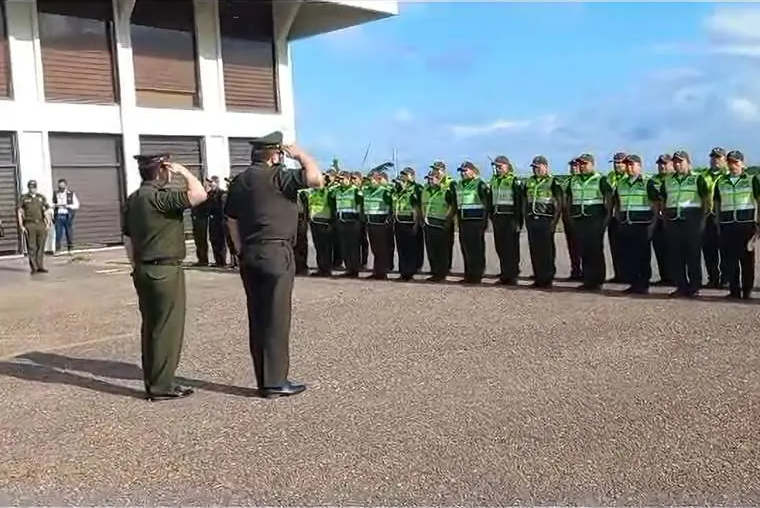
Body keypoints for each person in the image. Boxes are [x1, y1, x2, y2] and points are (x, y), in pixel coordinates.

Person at [224, 132, 323, 398]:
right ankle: (275, 382)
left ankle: (264, 379)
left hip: (250, 253)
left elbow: (231, 220)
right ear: (275, 154)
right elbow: (316, 179)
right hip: (276, 252)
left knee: (257, 318)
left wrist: (240, 249)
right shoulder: (279, 176)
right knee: (276, 319)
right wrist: (301, 155)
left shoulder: (240, 180)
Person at [121, 154, 207, 401]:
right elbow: (199, 194)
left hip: (143, 269)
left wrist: (135, 265)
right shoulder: (159, 198)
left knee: (151, 327)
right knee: (167, 329)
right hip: (165, 270)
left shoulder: (134, 199)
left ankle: (154, 380)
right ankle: (162, 386)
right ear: (160, 171)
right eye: (166, 169)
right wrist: (184, 172)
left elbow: (127, 238)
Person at [660, 150, 710, 298]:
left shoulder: (697, 179)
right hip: (673, 220)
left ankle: (694, 286)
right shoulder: (668, 180)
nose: (677, 164)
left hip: (692, 220)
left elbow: (706, 199)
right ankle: (681, 286)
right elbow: (663, 199)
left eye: (680, 161)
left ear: (688, 163)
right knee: (676, 255)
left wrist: (703, 219)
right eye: (675, 162)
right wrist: (665, 216)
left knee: (693, 254)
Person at [713, 150, 759, 299]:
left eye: (736, 162)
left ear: (742, 163)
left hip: (746, 225)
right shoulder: (721, 181)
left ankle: (747, 291)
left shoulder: (752, 180)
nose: (733, 166)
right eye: (730, 162)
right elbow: (717, 203)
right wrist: (718, 221)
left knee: (746, 260)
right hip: (727, 224)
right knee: (730, 260)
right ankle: (734, 290)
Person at [566, 154, 614, 290]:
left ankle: (597, 280)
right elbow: (569, 199)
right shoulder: (573, 180)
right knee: (583, 249)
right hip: (579, 219)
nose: (582, 166)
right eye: (580, 164)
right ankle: (588, 279)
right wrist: (570, 216)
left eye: (585, 164)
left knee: (595, 250)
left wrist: (607, 216)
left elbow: (609, 198)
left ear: (592, 164)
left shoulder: (601, 179)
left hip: (595, 218)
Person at [613, 154, 659, 294]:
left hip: (642, 224)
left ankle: (643, 284)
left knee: (642, 256)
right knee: (629, 255)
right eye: (627, 165)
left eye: (632, 165)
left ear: (639, 166)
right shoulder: (621, 183)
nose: (629, 168)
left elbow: (656, 204)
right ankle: (633, 283)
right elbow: (618, 203)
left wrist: (653, 222)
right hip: (627, 223)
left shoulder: (647, 182)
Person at [523, 155, 562, 288]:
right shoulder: (529, 182)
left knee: (546, 250)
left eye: (538, 167)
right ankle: (538, 276)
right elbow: (524, 200)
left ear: (545, 167)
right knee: (535, 250)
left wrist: (555, 221)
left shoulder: (552, 182)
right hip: (532, 219)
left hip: (546, 219)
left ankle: (547, 277)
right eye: (534, 168)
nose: (536, 170)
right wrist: (525, 218)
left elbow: (559, 202)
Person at [452, 161, 490, 284]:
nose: (463, 173)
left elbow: (486, 204)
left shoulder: (480, 184)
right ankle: (468, 274)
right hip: (464, 221)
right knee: (466, 249)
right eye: (461, 171)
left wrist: (484, 222)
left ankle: (477, 275)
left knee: (476, 249)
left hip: (476, 222)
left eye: (465, 171)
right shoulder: (460, 185)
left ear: (473, 171)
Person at [489, 155, 523, 285]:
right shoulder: (494, 180)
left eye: (500, 166)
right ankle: (505, 272)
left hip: (510, 218)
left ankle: (512, 274)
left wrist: (518, 221)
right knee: (500, 247)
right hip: (498, 217)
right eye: (496, 167)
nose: (498, 169)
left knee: (511, 248)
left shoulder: (514, 181)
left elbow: (519, 202)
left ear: (507, 166)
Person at [422, 169, 456, 282]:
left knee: (441, 250)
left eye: (433, 179)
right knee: (431, 250)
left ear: (438, 179)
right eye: (429, 179)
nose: (430, 181)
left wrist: (448, 220)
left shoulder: (445, 191)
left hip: (440, 224)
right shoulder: (426, 191)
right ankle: (435, 271)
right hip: (428, 223)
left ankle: (441, 273)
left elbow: (452, 206)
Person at [329, 171, 364, 278]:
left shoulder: (355, 190)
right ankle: (348, 268)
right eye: (339, 179)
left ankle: (354, 269)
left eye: (342, 179)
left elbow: (361, 204)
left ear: (348, 179)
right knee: (344, 247)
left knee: (353, 247)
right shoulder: (337, 190)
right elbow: (331, 201)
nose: (340, 181)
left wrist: (359, 220)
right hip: (341, 221)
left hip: (352, 222)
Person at [703, 146, 729, 288]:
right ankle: (713, 278)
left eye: (718, 157)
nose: (715, 160)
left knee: (725, 249)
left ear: (725, 159)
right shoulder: (703, 176)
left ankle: (726, 278)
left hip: (725, 215)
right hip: (708, 216)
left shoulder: (728, 175)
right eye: (713, 157)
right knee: (709, 250)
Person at [393, 167, 423, 281]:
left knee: (411, 247)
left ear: (412, 176)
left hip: (411, 221)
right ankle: (403, 271)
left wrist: (417, 223)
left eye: (406, 175)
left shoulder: (416, 188)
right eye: (403, 175)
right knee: (401, 248)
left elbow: (417, 206)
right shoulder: (399, 189)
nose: (404, 177)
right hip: (399, 221)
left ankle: (410, 271)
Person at [363, 170, 394, 279]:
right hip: (371, 223)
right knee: (375, 249)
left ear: (378, 180)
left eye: (371, 180)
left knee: (382, 249)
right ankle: (377, 271)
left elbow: (392, 206)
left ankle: (382, 272)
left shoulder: (384, 191)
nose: (369, 182)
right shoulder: (367, 191)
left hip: (381, 223)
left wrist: (388, 220)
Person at [17, 179, 51, 275]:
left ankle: (40, 265)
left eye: (34, 187)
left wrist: (48, 223)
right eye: (31, 187)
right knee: (32, 246)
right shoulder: (24, 198)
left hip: (40, 224)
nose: (33, 189)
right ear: (29, 188)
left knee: (41, 245)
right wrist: (21, 225)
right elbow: (20, 212)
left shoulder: (41, 198)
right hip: (29, 224)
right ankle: (34, 267)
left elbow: (46, 211)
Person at [651, 154, 674, 285]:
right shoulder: (653, 180)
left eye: (665, 164)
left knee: (673, 248)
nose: (662, 166)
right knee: (659, 247)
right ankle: (664, 276)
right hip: (657, 217)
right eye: (660, 164)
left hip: (672, 217)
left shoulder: (673, 179)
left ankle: (675, 277)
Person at [306, 171, 335, 277]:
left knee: (325, 247)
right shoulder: (313, 192)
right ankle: (321, 268)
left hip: (325, 222)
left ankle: (326, 269)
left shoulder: (328, 192)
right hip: (314, 222)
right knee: (318, 247)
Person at [606, 152, 627, 283]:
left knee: (627, 247)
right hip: (612, 216)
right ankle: (618, 274)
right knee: (615, 247)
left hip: (625, 216)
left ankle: (629, 274)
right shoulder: (610, 177)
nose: (617, 165)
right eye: (615, 163)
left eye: (620, 163)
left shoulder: (627, 177)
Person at [562, 158, 583, 280]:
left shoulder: (583, 182)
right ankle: (575, 270)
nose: (573, 168)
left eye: (576, 166)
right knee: (572, 246)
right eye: (572, 166)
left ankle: (587, 271)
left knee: (584, 246)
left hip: (581, 217)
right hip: (568, 217)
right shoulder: (567, 182)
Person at [52, 178, 80, 254]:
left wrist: (67, 206)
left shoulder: (71, 194)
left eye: (62, 186)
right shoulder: (55, 194)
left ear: (66, 186)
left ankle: (70, 249)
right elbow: (52, 204)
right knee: (58, 234)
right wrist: (55, 205)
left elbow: (76, 205)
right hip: (59, 215)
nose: (61, 187)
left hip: (68, 215)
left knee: (69, 233)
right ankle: (58, 249)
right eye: (59, 186)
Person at [206, 176, 228, 267]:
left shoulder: (222, 193)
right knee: (213, 239)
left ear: (217, 183)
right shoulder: (209, 194)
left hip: (219, 220)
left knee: (221, 241)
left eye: (212, 182)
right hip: (212, 220)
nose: (210, 184)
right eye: (210, 182)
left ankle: (222, 261)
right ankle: (217, 261)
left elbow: (222, 208)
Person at [190, 179, 212, 266]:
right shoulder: (198, 195)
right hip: (196, 220)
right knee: (198, 240)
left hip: (202, 219)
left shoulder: (206, 196)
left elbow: (207, 208)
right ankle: (201, 259)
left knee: (202, 239)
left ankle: (204, 260)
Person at [294, 189, 310, 275]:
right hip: (291, 218)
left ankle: (302, 268)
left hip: (301, 219)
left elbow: (307, 207)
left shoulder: (303, 194)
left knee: (302, 244)